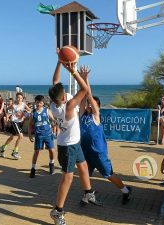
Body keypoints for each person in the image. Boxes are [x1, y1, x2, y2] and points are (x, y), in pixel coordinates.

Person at [48, 60, 101, 225]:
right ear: (63, 97)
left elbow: (55, 82)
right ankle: (57, 210)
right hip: (68, 147)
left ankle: (88, 193)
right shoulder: (69, 106)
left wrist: (58, 62)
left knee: (83, 166)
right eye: (64, 91)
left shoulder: (54, 102)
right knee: (68, 178)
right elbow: (85, 90)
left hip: (73, 142)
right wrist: (75, 73)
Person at [79, 67, 132, 205]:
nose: (89, 105)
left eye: (92, 104)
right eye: (89, 104)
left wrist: (86, 78)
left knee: (109, 175)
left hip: (98, 153)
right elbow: (84, 95)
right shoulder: (82, 115)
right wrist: (81, 81)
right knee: (85, 176)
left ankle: (126, 191)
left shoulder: (96, 116)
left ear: (97, 107)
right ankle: (87, 195)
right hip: (85, 152)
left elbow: (89, 95)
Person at [28, 95, 55, 178]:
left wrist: (55, 130)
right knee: (37, 152)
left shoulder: (47, 111)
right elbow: (30, 124)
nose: (39, 104)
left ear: (43, 103)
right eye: (37, 102)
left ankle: (51, 163)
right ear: (35, 102)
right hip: (38, 135)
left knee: (51, 150)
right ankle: (33, 169)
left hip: (48, 134)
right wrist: (29, 135)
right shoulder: (33, 113)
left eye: (40, 102)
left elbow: (54, 120)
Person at [0, 92, 31, 159]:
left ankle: (2, 148)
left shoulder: (24, 104)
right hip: (14, 122)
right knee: (21, 136)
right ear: (16, 98)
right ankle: (15, 152)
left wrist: (25, 113)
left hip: (20, 122)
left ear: (22, 99)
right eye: (18, 97)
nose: (19, 99)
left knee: (12, 137)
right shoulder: (13, 105)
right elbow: (7, 109)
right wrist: (8, 117)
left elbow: (30, 110)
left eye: (21, 98)